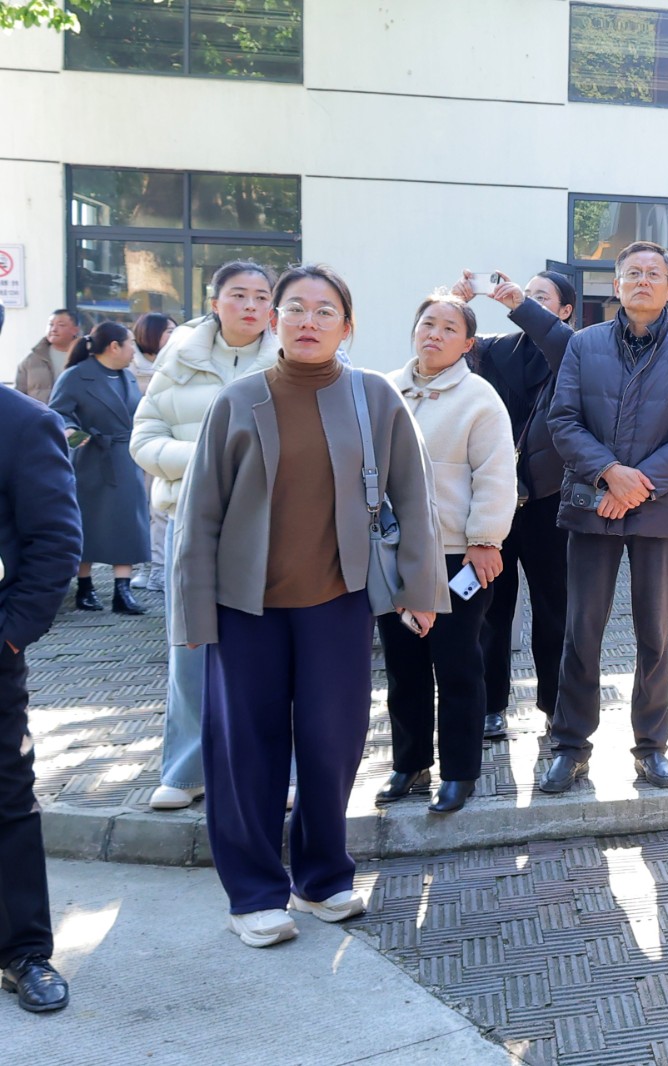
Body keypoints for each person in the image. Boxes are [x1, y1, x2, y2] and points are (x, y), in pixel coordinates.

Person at [170, 264, 445, 948]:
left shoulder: (374, 397)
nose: (308, 321)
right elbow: (199, 513)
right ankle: (255, 892)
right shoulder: (237, 401)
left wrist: (420, 589)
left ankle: (321, 878)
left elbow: (413, 496)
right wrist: (192, 612)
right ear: (275, 320)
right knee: (247, 751)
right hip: (244, 608)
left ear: (347, 327)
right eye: (295, 308)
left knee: (332, 742)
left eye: (325, 311)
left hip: (337, 601)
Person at [539, 241, 668, 794]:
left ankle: (651, 748)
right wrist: (608, 473)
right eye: (632, 273)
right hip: (593, 505)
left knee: (654, 635)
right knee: (581, 630)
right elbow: (563, 419)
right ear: (616, 285)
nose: (642, 281)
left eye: (653, 274)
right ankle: (570, 746)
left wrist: (635, 487)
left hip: (658, 510)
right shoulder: (584, 344)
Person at [131, 262, 278, 811]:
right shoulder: (180, 357)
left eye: (261, 296)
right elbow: (144, 438)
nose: (250, 305)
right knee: (189, 647)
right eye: (238, 295)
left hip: (267, 526)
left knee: (269, 651)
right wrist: (203, 460)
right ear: (215, 302)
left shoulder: (289, 359)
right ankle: (186, 769)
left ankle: (275, 770)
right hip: (188, 522)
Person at [376, 293, 516, 814]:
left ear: (468, 343)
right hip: (394, 553)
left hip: (458, 554)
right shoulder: (385, 391)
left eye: (448, 328)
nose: (434, 334)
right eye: (427, 323)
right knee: (403, 664)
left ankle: (459, 772)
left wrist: (486, 540)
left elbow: (497, 475)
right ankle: (410, 764)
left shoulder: (480, 398)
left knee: (457, 664)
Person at [448, 269, 576, 742]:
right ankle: (491, 706)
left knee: (554, 609)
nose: (527, 300)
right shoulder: (495, 350)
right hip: (496, 498)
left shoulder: (576, 351)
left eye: (541, 297)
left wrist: (521, 304)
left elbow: (559, 346)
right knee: (490, 608)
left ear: (564, 311)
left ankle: (555, 705)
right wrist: (457, 301)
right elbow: (449, 348)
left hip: (550, 501)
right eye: (527, 293)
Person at [0, 323, 82, 1013]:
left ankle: (24, 951)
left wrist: (9, 638)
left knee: (6, 800)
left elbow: (55, 542)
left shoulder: (25, 424)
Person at [48, 322, 151, 615]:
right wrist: (74, 435)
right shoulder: (75, 376)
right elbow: (57, 413)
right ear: (114, 346)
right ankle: (85, 585)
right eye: (130, 343)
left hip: (125, 457)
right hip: (90, 458)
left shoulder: (127, 377)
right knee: (87, 522)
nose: (134, 350)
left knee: (128, 522)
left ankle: (122, 590)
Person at [129, 313, 178, 594]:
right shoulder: (128, 364)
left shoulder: (180, 361)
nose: (174, 335)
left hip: (168, 444)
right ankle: (147, 567)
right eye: (168, 330)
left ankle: (159, 569)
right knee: (143, 511)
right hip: (137, 445)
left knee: (161, 509)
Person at [14, 309, 80, 404]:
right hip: (40, 413)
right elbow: (18, 395)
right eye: (51, 324)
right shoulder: (31, 360)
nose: (53, 329)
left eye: (61, 325)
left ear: (75, 330)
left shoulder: (86, 358)